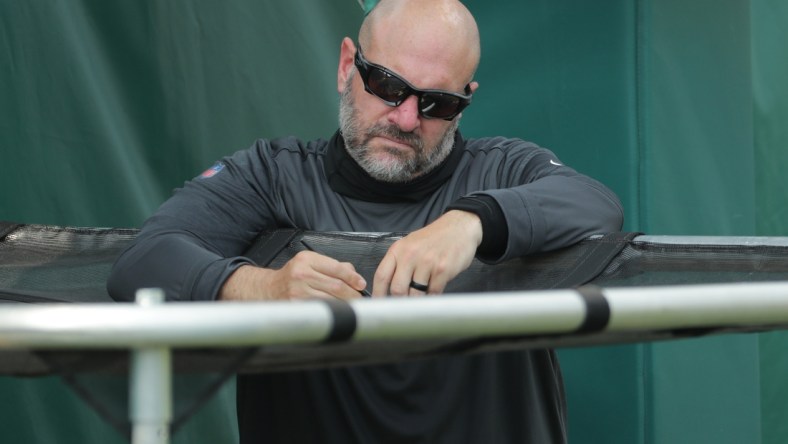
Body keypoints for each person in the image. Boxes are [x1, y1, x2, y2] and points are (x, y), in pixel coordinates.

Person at [108, 0, 623, 442]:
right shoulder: (272, 176)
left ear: (466, 101)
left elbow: (594, 203)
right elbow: (142, 262)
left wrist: (471, 223)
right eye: (387, 84)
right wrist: (263, 289)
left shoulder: (501, 168)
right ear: (347, 65)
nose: (405, 118)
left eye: (437, 102)